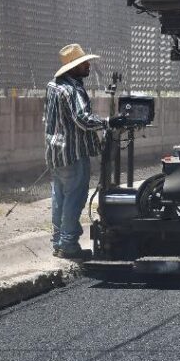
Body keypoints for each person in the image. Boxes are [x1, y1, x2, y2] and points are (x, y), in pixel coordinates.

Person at [43, 44, 126, 259]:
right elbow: (82, 119)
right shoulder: (73, 90)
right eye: (83, 64)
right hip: (74, 153)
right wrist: (109, 122)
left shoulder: (53, 86)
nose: (88, 66)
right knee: (75, 198)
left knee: (59, 198)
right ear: (73, 67)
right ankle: (69, 245)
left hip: (55, 153)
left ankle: (58, 242)